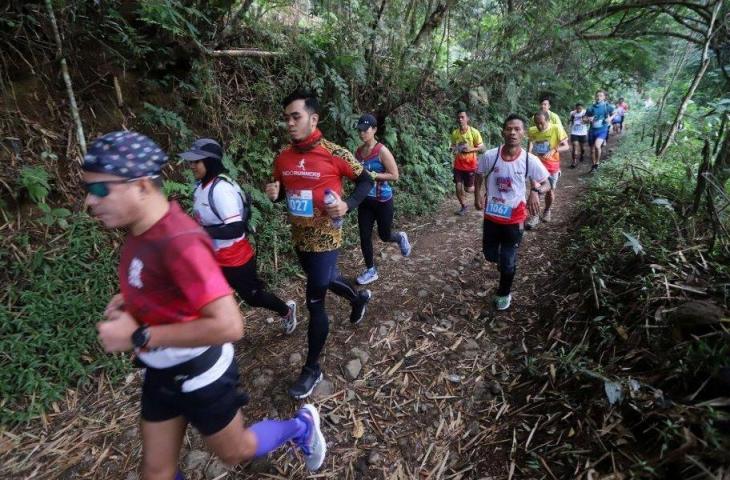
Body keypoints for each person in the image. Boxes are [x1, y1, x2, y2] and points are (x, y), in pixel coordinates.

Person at [84, 131, 326, 480]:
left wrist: (138, 335)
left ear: (140, 187)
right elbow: (161, 281)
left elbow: (231, 326)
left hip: (200, 369)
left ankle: (301, 426)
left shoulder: (181, 239)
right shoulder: (141, 231)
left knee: (236, 451)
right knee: (156, 472)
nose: (91, 201)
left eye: (102, 188)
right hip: (162, 367)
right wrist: (133, 300)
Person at [265, 89, 374, 399]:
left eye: (295, 117)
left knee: (315, 298)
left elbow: (366, 180)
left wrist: (348, 205)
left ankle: (312, 368)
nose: (289, 123)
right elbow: (284, 191)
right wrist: (275, 195)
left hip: (327, 236)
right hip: (300, 236)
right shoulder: (283, 157)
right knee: (326, 279)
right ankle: (357, 299)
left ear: (313, 118)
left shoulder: (335, 153)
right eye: (286, 118)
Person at [180, 138, 297, 335]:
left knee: (253, 297)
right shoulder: (200, 187)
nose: (191, 166)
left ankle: (286, 311)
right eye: (190, 162)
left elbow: (236, 229)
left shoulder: (221, 191)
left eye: (196, 162)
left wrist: (199, 233)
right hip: (212, 256)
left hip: (235, 258)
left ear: (210, 162)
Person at [474, 115, 550, 311]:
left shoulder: (528, 159)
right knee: (490, 255)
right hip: (491, 217)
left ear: (523, 134)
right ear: (503, 132)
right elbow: (478, 174)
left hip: (514, 220)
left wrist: (535, 191)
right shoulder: (490, 156)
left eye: (517, 129)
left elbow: (547, 183)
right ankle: (502, 260)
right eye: (509, 129)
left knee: (508, 262)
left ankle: (504, 293)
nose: (513, 132)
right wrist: (477, 195)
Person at [353, 114, 412, 285]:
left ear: (374, 130)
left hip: (382, 201)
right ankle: (371, 270)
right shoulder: (358, 152)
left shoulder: (382, 151)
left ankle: (400, 237)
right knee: (364, 236)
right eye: (360, 130)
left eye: (366, 130)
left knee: (384, 235)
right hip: (365, 201)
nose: (362, 133)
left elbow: (394, 175)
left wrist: (375, 175)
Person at [526, 111, 569, 228]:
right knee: (535, 190)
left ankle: (547, 210)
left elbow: (566, 146)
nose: (539, 126)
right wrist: (528, 155)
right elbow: (530, 143)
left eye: (542, 123)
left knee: (549, 191)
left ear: (548, 121)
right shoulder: (532, 130)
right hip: (537, 165)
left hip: (552, 165)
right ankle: (534, 217)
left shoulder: (556, 128)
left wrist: (554, 150)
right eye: (536, 123)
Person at [450, 110, 485, 215]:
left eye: (462, 117)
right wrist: (453, 149)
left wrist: (470, 149)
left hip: (470, 165)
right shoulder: (455, 133)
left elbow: (482, 147)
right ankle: (464, 206)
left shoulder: (474, 132)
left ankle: (479, 194)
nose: (460, 119)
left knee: (469, 189)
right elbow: (452, 146)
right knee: (458, 187)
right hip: (458, 165)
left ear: (467, 119)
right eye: (459, 117)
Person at [585, 90, 615, 173]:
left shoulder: (607, 106)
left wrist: (610, 118)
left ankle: (597, 163)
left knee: (597, 146)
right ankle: (594, 165)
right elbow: (584, 118)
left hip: (602, 129)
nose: (599, 97)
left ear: (604, 97)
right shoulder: (591, 107)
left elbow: (614, 113)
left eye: (601, 96)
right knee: (591, 150)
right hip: (592, 130)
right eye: (597, 96)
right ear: (595, 96)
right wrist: (588, 119)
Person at [567, 103, 588, 167]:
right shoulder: (572, 113)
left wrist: (585, 120)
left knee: (582, 148)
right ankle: (574, 162)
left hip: (583, 133)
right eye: (577, 108)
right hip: (574, 132)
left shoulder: (585, 112)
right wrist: (569, 122)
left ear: (582, 108)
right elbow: (570, 120)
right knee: (575, 146)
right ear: (575, 108)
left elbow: (588, 121)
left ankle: (582, 154)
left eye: (580, 108)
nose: (578, 110)